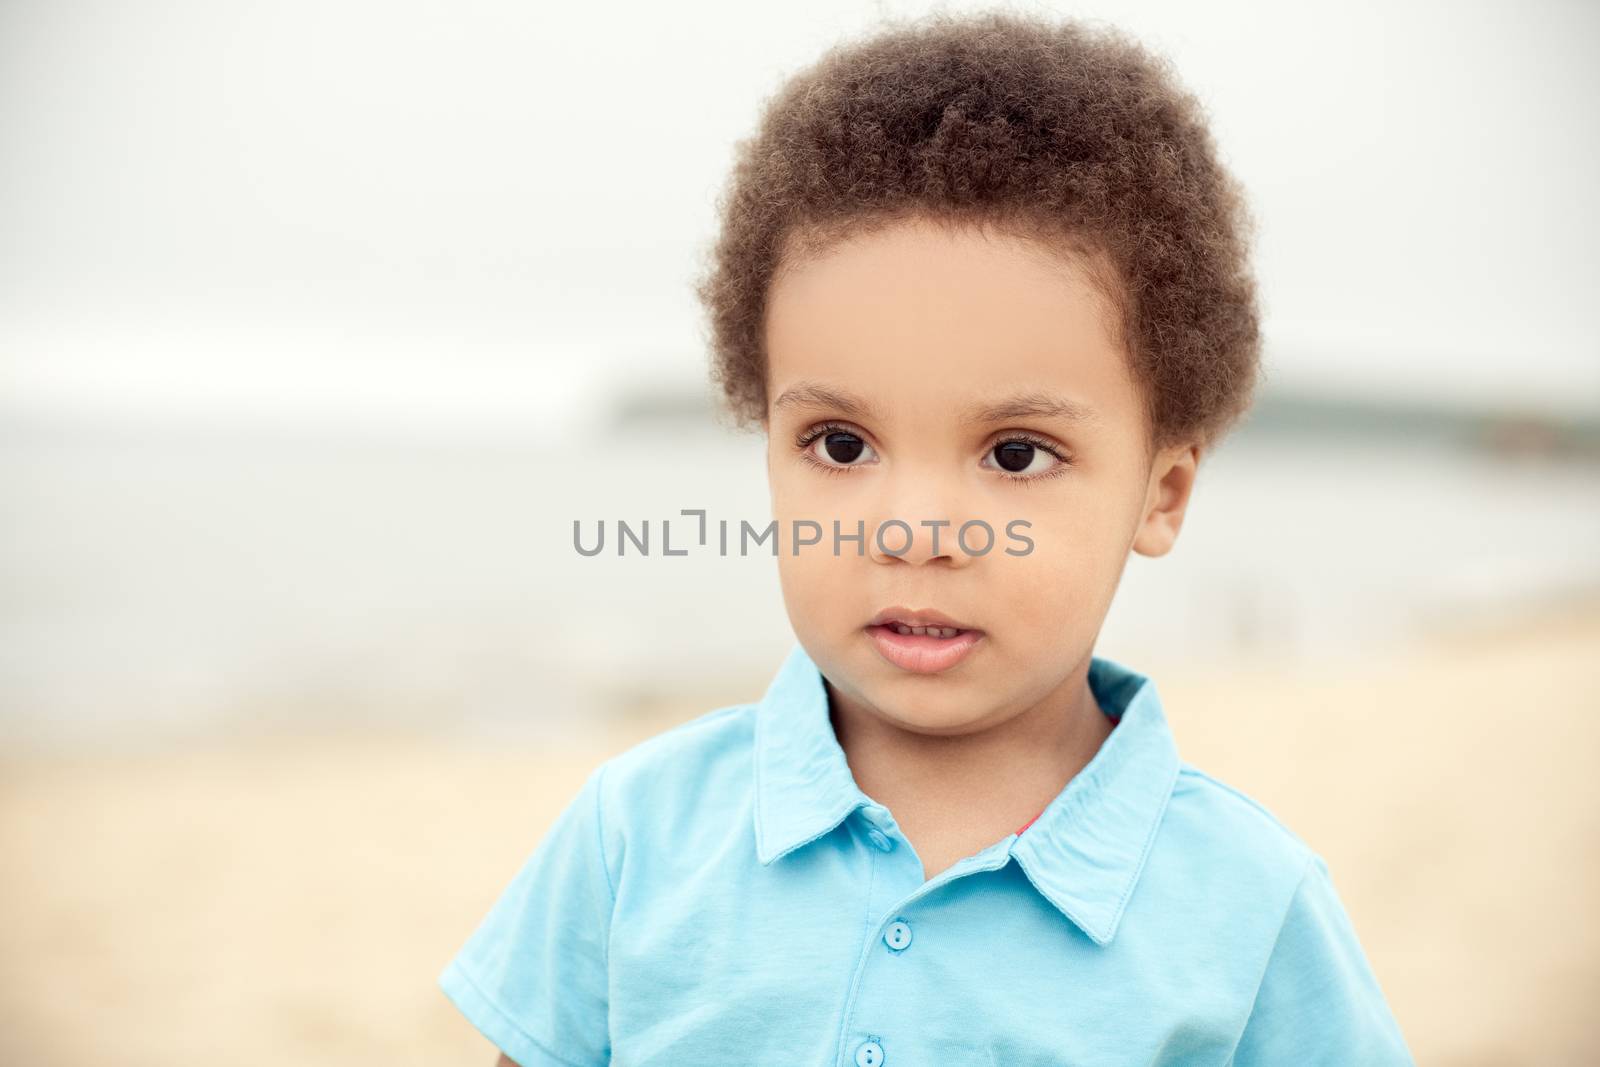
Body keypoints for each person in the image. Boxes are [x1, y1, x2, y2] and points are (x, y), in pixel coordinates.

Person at [438, 10, 1416, 1065]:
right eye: (841, 442)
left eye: (1013, 455)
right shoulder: (635, 833)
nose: (914, 530)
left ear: (1161, 492)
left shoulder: (1251, 913)